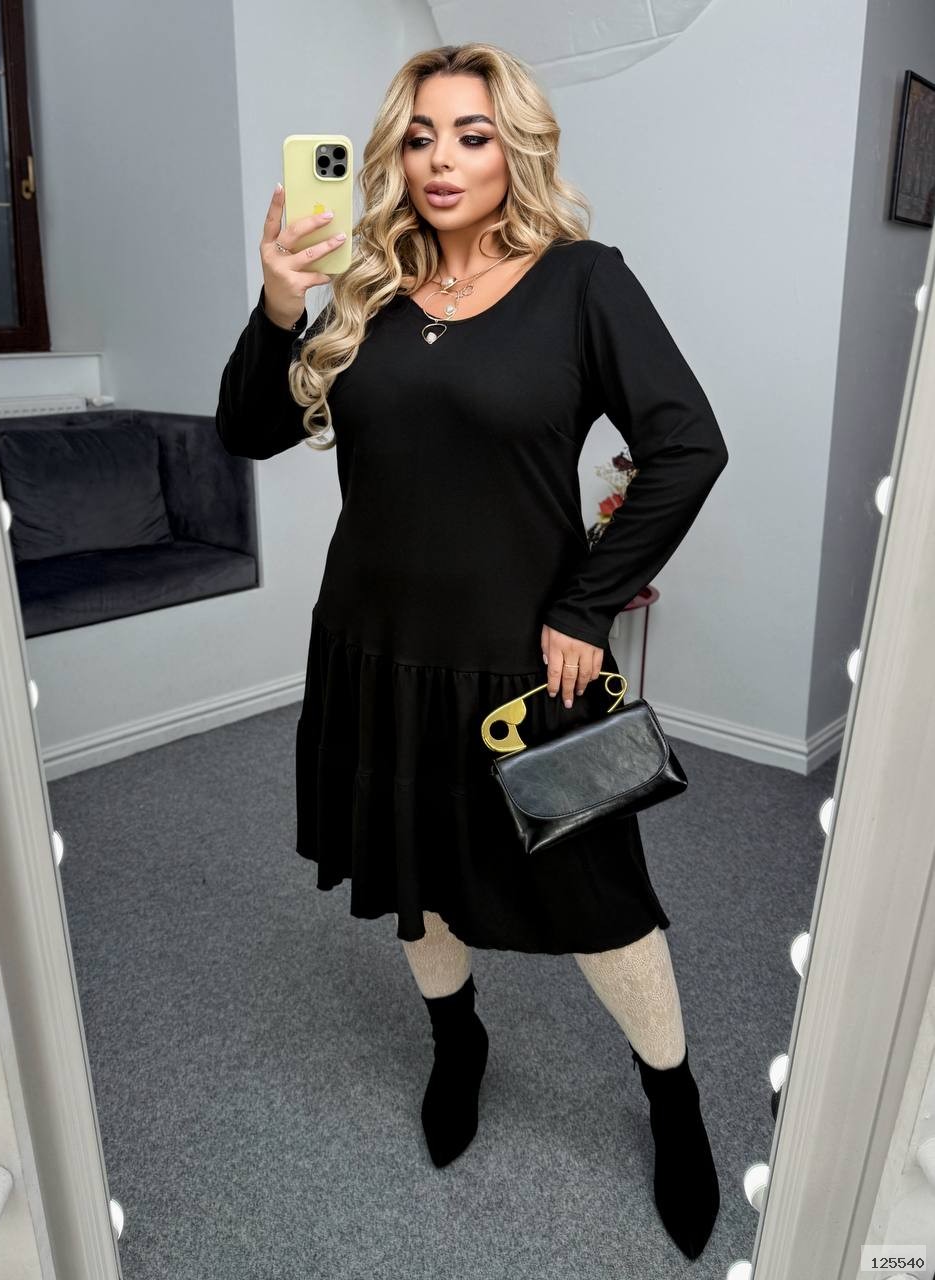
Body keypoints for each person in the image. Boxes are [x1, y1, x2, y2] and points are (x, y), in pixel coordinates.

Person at [216, 42, 728, 1261]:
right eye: (422, 135)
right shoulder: (371, 288)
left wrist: (585, 606)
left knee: (598, 897)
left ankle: (672, 1096)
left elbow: (688, 444)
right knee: (418, 874)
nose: (442, 159)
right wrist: (283, 300)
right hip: (374, 646)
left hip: (523, 660)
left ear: (518, 150)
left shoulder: (582, 281)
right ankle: (459, 1041)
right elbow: (248, 428)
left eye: (473, 134)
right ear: (395, 154)